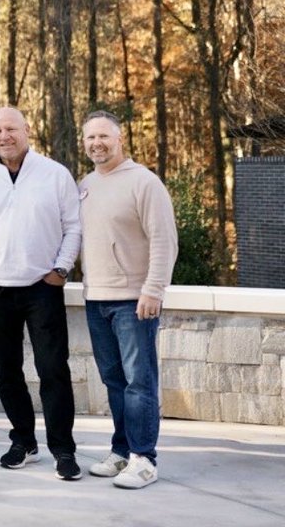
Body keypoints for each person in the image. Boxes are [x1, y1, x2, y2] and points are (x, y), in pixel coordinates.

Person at [0, 106, 82, 481]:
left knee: (52, 370)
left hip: (42, 289)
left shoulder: (54, 174)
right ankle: (23, 442)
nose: (4, 136)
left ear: (27, 129)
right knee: (6, 372)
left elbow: (73, 226)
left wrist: (61, 269)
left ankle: (63, 450)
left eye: (11, 128)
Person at [79, 110, 178, 489]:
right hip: (96, 297)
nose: (97, 143)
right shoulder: (85, 183)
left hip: (133, 300)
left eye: (103, 136)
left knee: (139, 382)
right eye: (90, 138)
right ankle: (121, 452)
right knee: (114, 381)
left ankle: (144, 458)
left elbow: (164, 240)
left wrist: (153, 289)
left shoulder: (144, 182)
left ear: (120, 139)